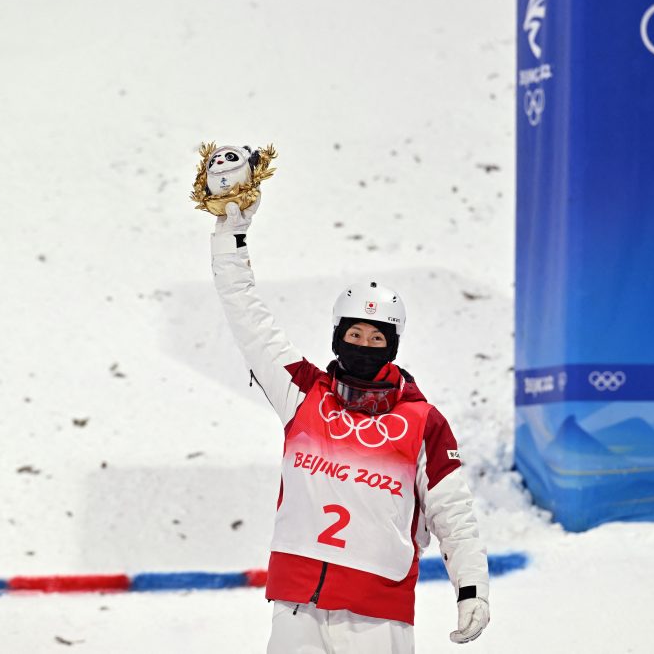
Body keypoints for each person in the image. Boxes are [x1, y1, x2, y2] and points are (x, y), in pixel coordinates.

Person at [209, 198, 490, 653]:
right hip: (298, 601)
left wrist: (472, 585)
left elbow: (453, 513)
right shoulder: (302, 393)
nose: (364, 345)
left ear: (393, 346)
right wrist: (229, 238)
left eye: (377, 338)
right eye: (355, 335)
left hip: (377, 613)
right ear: (338, 336)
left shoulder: (424, 423)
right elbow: (249, 322)